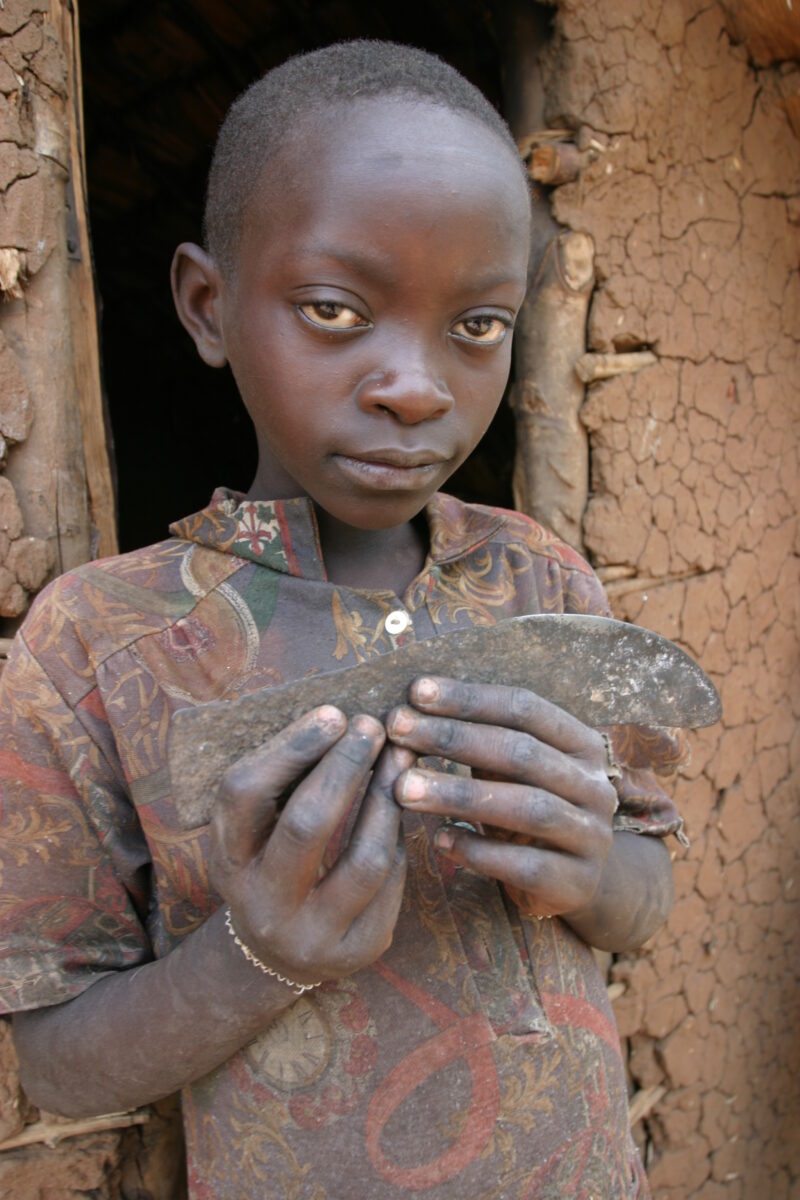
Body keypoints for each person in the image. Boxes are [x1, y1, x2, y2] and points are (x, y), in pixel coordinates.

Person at [0, 42, 685, 1199]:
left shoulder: (541, 581)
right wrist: (254, 956)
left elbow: (644, 893)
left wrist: (589, 869)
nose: (414, 385)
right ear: (208, 306)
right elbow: (58, 1060)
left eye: (475, 325)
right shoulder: (96, 644)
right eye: (334, 308)